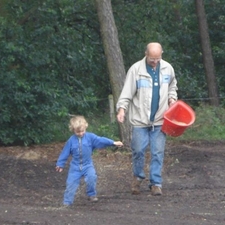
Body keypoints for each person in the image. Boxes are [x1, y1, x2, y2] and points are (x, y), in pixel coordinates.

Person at [116, 42, 178, 196]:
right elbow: (127, 92)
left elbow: (172, 86)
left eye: (158, 58)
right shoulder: (136, 70)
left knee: (157, 152)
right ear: (146, 54)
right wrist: (122, 109)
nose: (155, 62)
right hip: (140, 120)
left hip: (160, 120)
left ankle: (156, 183)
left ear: (161, 54)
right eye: (152, 59)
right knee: (138, 150)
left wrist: (172, 99)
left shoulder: (168, 68)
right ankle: (137, 177)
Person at [55, 115, 124, 206]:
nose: (80, 133)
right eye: (78, 132)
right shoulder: (71, 141)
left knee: (92, 177)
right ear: (73, 130)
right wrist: (60, 164)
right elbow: (65, 152)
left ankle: (91, 194)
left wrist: (113, 143)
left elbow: (101, 140)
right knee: (71, 184)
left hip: (87, 165)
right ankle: (67, 202)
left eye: (82, 131)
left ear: (85, 127)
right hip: (75, 167)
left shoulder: (90, 137)